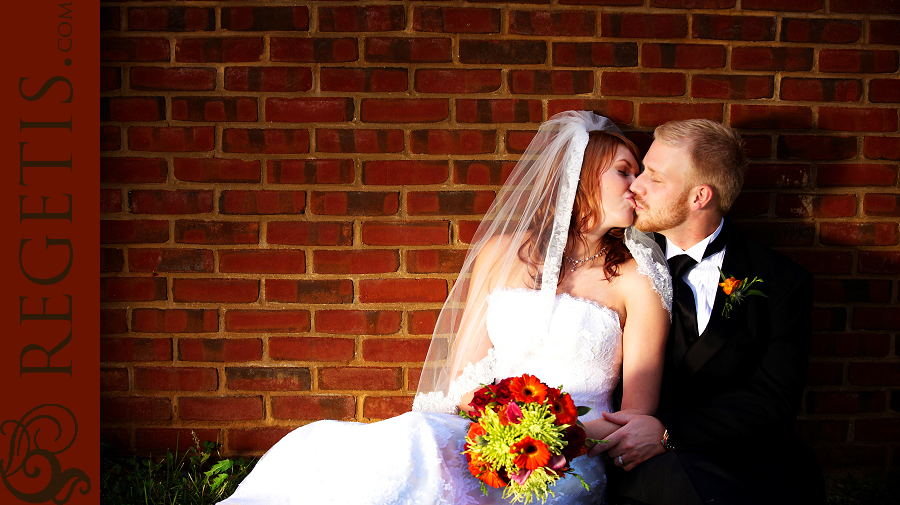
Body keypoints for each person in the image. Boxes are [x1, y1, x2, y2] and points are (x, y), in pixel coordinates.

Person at [216, 111, 672, 505]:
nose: (637, 187)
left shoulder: (639, 279)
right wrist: (499, 431)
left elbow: (634, 419)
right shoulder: (502, 253)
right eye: (624, 171)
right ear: (580, 174)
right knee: (404, 440)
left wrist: (546, 437)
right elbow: (464, 376)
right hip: (488, 433)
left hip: (570, 456)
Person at [593, 119, 825, 505]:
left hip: (746, 460)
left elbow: (774, 402)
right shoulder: (613, 263)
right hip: (644, 468)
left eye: (655, 177)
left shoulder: (782, 281)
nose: (636, 186)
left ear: (700, 196)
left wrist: (669, 431)